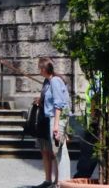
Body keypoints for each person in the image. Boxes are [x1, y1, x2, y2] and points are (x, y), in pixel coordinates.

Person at [35, 56, 70, 188]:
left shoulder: (55, 81)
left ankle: (62, 182)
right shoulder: (48, 81)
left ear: (44, 68)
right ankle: (58, 182)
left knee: (58, 151)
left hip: (55, 119)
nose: (39, 70)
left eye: (40, 68)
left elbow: (59, 104)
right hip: (49, 118)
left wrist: (56, 124)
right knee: (56, 151)